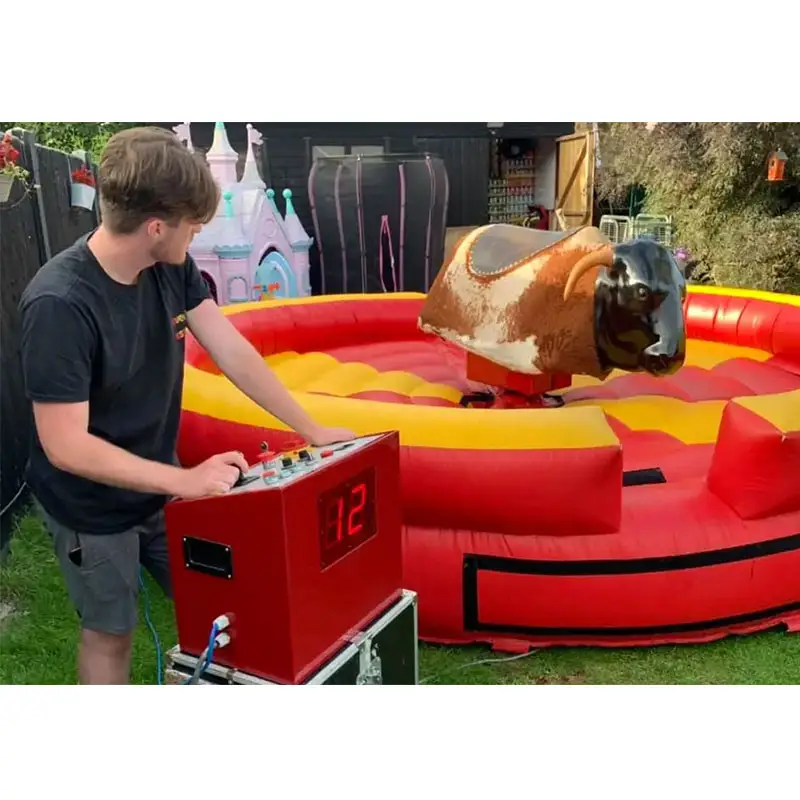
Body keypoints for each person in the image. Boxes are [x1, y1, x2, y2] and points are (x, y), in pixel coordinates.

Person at [18, 126, 355, 685]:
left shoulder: (169, 268)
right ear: (156, 227)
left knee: (227, 598)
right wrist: (185, 482)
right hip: (90, 508)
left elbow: (233, 352)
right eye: (193, 227)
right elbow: (65, 445)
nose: (197, 238)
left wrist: (312, 427)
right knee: (110, 634)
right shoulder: (60, 304)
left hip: (160, 483)